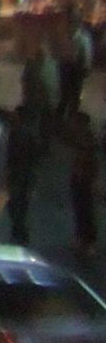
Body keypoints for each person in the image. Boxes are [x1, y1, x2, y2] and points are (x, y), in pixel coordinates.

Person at [6, 107, 47, 247]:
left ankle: (18, 230)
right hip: (25, 174)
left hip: (19, 173)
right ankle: (19, 230)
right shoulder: (29, 134)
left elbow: (12, 156)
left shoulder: (17, 133)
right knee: (21, 204)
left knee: (14, 202)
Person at [65, 103, 100, 251]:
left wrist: (83, 174)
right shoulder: (84, 139)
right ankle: (84, 240)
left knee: (84, 210)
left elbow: (88, 161)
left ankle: (87, 241)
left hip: (83, 179)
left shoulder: (86, 141)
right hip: (81, 178)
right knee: (82, 210)